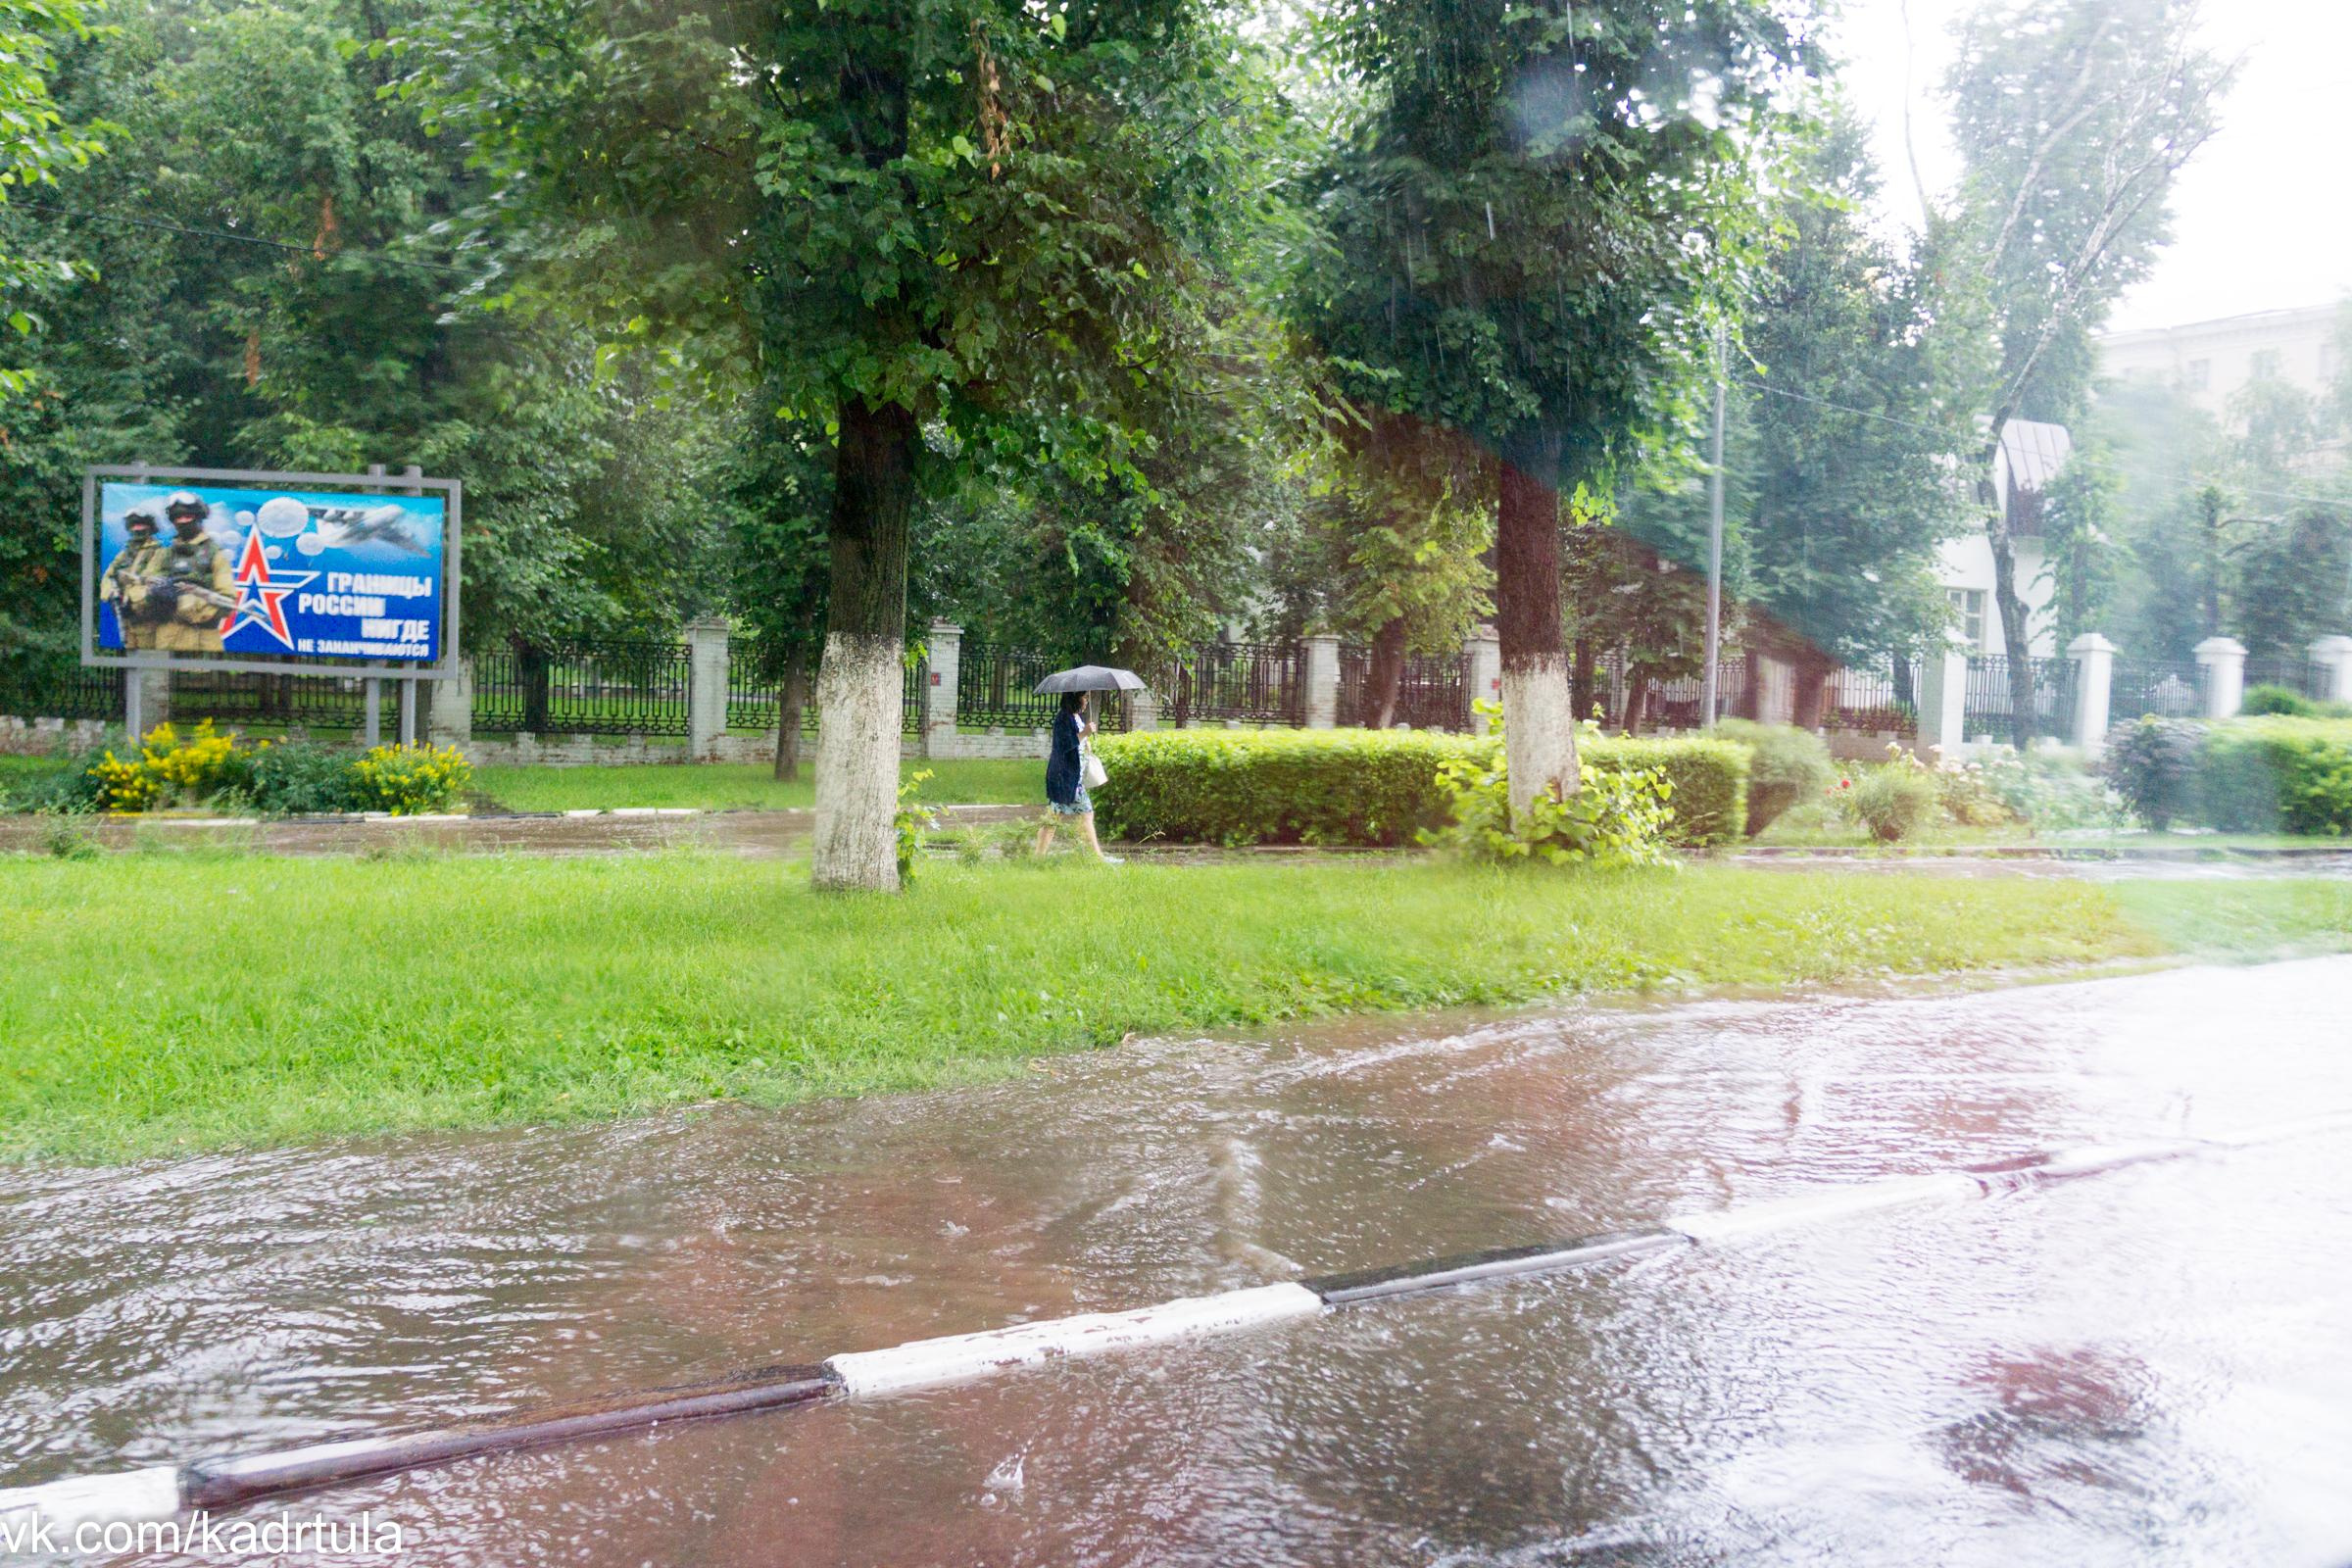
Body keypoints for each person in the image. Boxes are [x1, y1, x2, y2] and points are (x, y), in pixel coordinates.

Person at [149, 492, 235, 653]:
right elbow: (147, 587)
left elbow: (227, 602)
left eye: (187, 517)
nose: (182, 521)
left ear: (198, 517)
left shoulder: (214, 554)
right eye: (178, 518)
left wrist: (190, 605)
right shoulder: (164, 554)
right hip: (167, 637)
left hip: (202, 641)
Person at [1036, 690, 1109, 859]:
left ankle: (1038, 857)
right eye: (1084, 698)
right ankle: (1097, 858)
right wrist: (1084, 734)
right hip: (1064, 777)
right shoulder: (1063, 718)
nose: (1086, 702)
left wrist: (1086, 742)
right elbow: (1063, 744)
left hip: (1071, 778)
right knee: (1085, 814)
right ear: (1075, 699)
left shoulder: (1075, 717)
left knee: (1053, 818)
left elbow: (1077, 742)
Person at [97, 507, 166, 649]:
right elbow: (108, 576)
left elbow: (152, 579)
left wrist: (131, 592)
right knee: (131, 662)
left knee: (150, 663)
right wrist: (111, 594)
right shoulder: (124, 554)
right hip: (125, 617)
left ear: (150, 527)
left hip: (148, 620)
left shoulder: (160, 552)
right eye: (135, 525)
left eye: (142, 524)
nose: (138, 528)